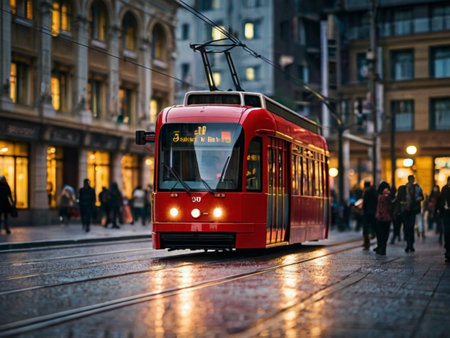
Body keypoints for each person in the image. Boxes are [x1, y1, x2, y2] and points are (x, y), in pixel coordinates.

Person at [399, 175, 424, 253]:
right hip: (405, 210)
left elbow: (421, 197)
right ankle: (408, 244)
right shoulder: (403, 188)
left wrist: (417, 199)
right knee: (407, 227)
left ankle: (411, 245)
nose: (412, 181)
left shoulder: (417, 188)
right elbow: (399, 198)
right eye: (411, 180)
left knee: (411, 226)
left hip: (413, 210)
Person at [374, 182, 393, 255]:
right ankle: (382, 248)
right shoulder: (387, 197)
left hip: (380, 217)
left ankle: (381, 247)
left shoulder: (379, 196)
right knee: (384, 233)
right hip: (386, 217)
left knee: (380, 234)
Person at [362, 181, 378, 250]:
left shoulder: (366, 192)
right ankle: (375, 238)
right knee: (375, 226)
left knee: (366, 228)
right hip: (374, 212)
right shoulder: (374, 191)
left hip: (367, 212)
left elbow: (365, 203)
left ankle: (366, 244)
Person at [438, 176, 450, 262]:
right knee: (447, 231)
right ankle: (448, 251)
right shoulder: (444, 189)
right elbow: (441, 200)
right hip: (446, 213)